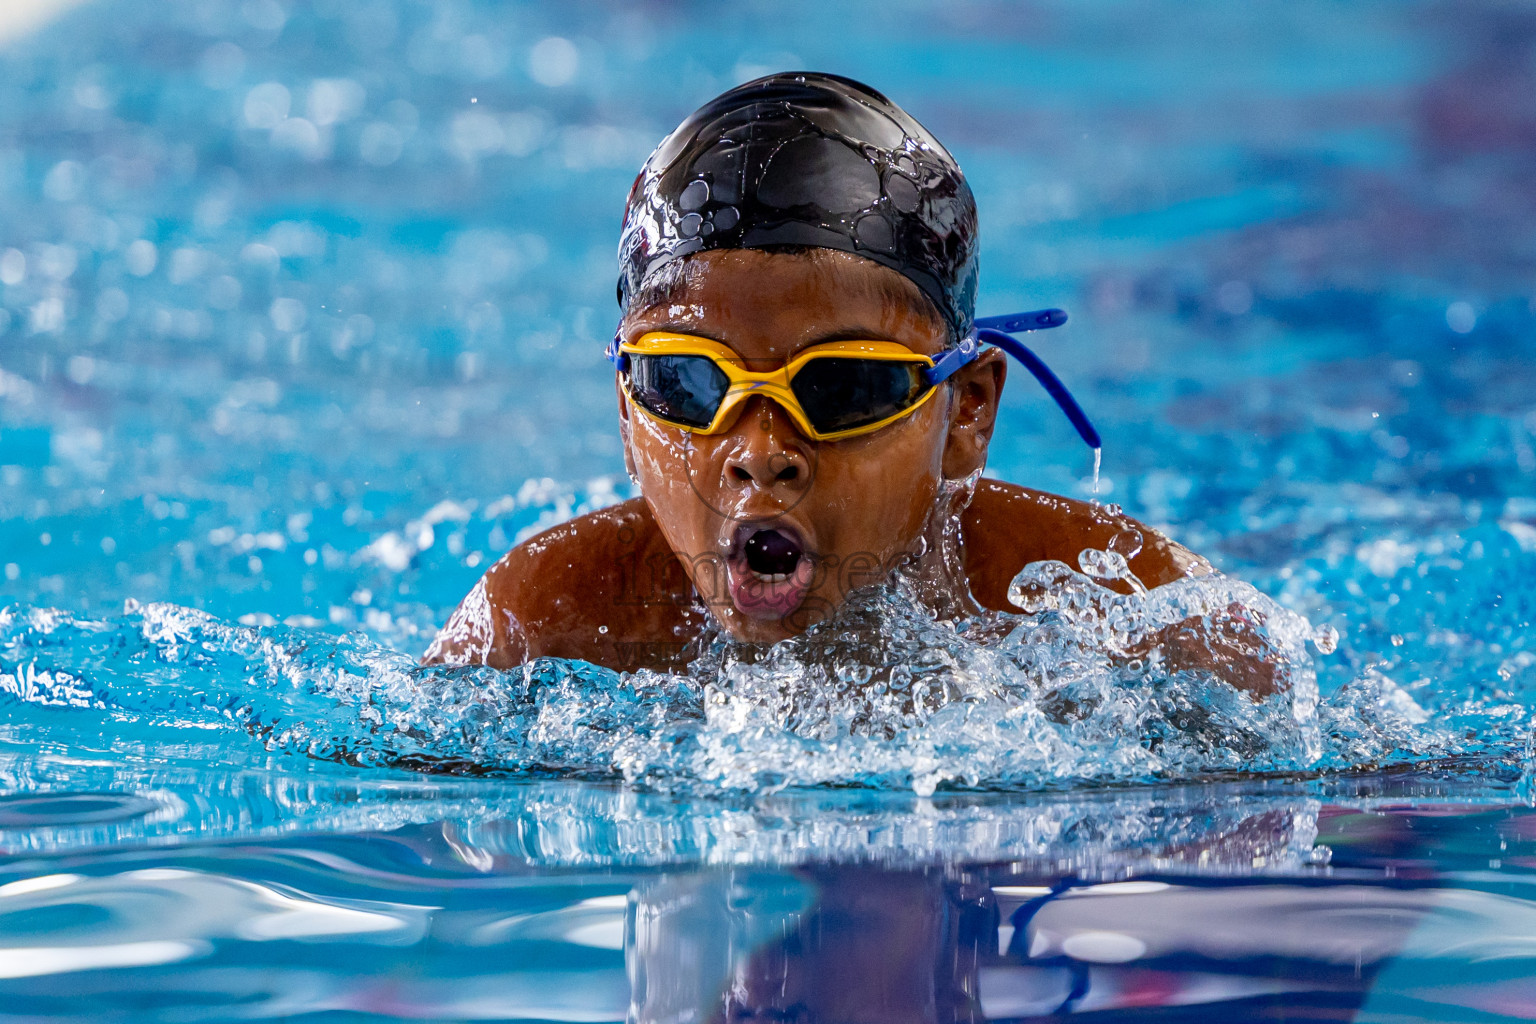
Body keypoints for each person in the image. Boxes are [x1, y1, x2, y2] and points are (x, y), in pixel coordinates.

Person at [423, 73, 1267, 691]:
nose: (759, 453)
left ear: (967, 410)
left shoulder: (1147, 627)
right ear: (625, 412)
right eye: (684, 381)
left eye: (840, 386)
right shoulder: (542, 623)